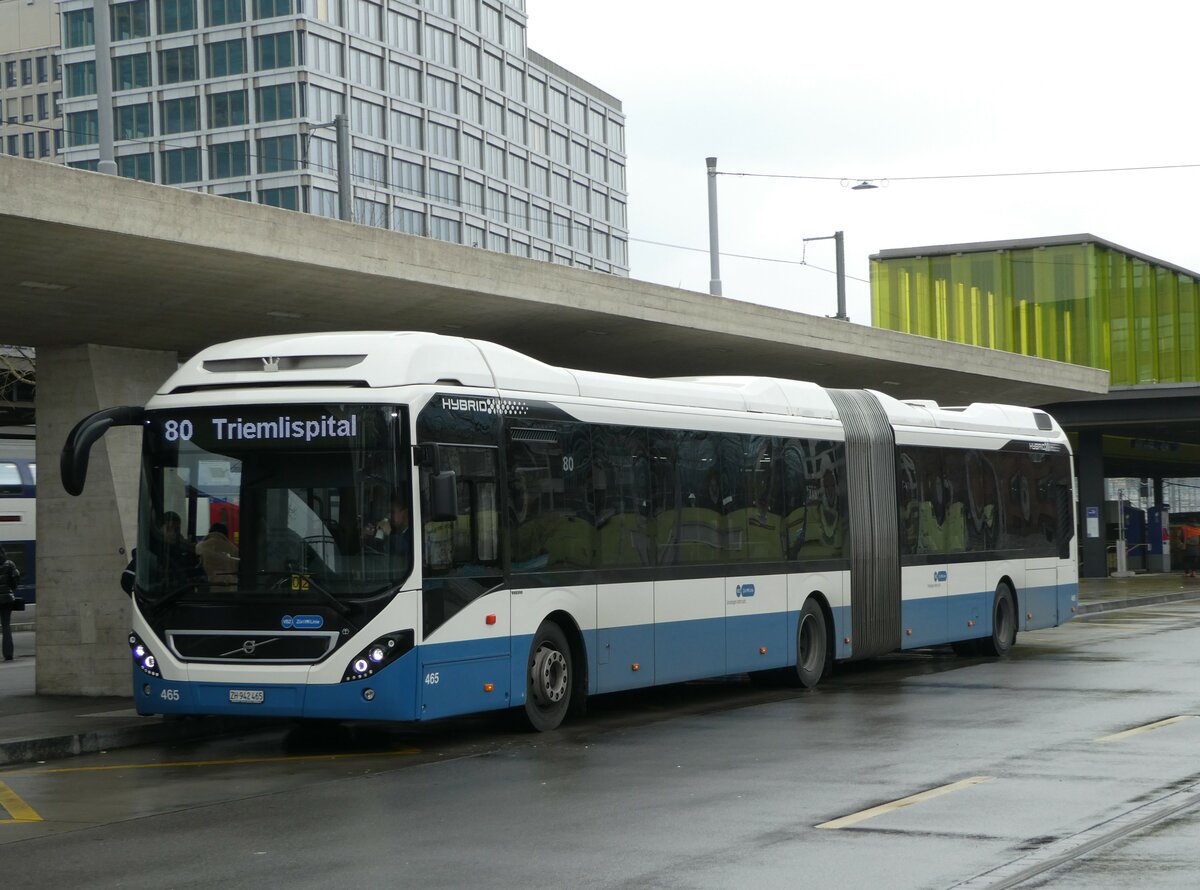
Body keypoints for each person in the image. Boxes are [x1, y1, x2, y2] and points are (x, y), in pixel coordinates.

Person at [196, 522, 240, 586]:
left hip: (206, 591)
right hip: (230, 589)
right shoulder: (234, 549)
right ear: (226, 535)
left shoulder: (199, 547)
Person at [0, 545, 21, 662]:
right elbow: (15, 579)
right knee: (6, 626)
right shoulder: (9, 564)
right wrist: (11, 589)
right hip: (7, 599)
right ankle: (8, 654)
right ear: (3, 552)